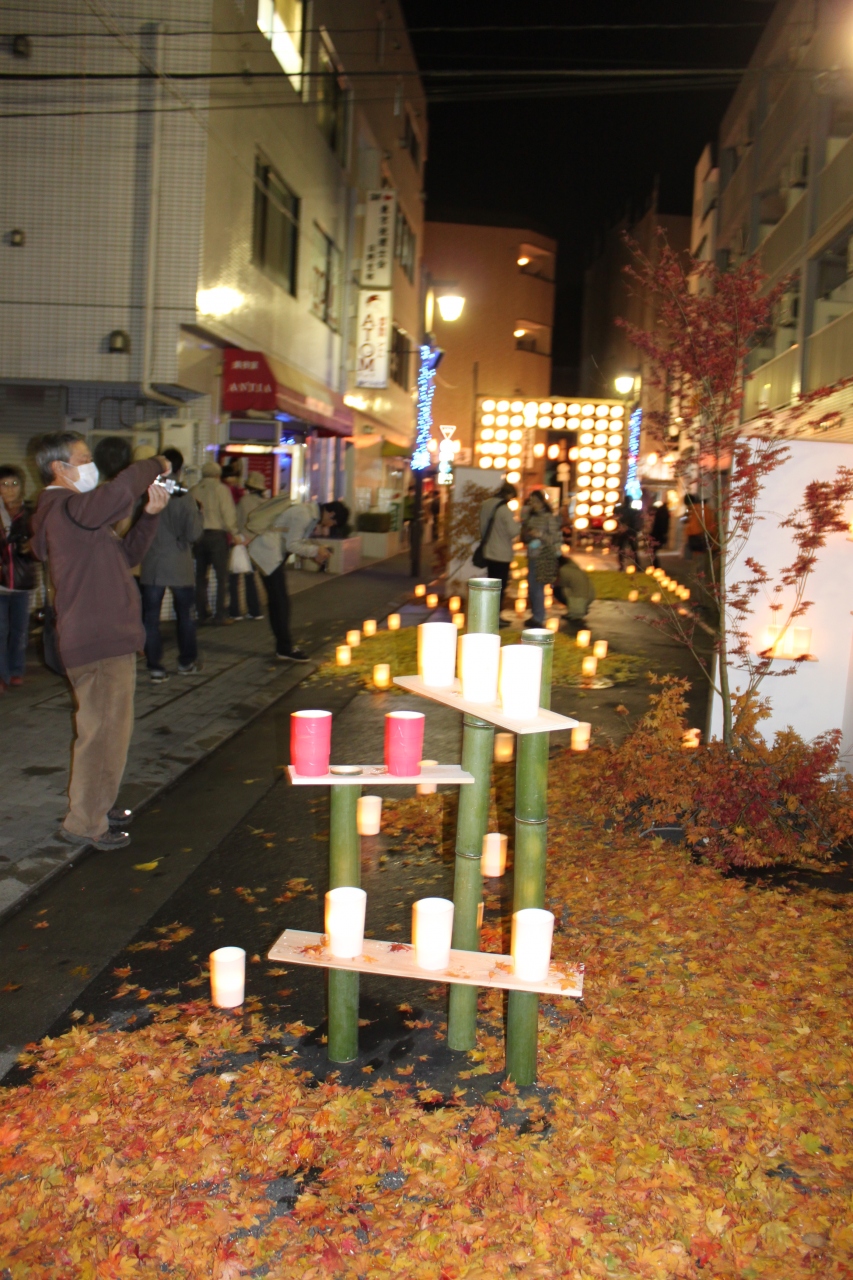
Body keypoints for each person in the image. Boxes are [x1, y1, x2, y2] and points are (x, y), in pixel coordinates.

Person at [30, 431, 170, 851]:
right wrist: (157, 463)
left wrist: (150, 515)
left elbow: (125, 557)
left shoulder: (76, 516)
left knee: (108, 731)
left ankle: (96, 806)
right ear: (59, 468)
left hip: (104, 636)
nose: (91, 466)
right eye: (84, 459)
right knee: (104, 735)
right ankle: (85, 822)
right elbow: (120, 490)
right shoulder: (67, 508)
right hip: (99, 638)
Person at [244, 496, 348, 661]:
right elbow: (292, 545)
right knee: (280, 603)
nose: (330, 526)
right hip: (268, 554)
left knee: (278, 602)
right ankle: (285, 649)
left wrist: (314, 553)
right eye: (333, 523)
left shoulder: (309, 514)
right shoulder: (304, 515)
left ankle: (283, 647)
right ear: (331, 514)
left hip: (271, 555)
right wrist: (316, 551)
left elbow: (296, 542)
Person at [139, 447, 204, 681]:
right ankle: (186, 662)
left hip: (153, 563)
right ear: (179, 469)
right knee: (186, 615)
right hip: (179, 563)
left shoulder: (146, 492)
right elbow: (193, 534)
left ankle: (155, 666)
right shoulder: (185, 497)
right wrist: (200, 514)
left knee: (150, 618)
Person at [0, 465, 36, 692]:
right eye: (4, 484)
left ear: (22, 487)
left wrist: (31, 545)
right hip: (0, 583)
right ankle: (2, 675)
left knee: (19, 631)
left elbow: (42, 545)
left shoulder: (31, 514)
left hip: (23, 582)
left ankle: (16, 670)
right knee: (0, 630)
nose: (9, 489)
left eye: (14, 484)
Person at [190, 460, 238, 624]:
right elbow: (228, 514)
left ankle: (202, 613)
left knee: (200, 577)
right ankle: (220, 615)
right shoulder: (221, 489)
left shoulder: (194, 490)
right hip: (217, 537)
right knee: (221, 577)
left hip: (199, 536)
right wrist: (234, 533)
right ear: (218, 475)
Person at [478, 481, 518, 624]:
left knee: (491, 585)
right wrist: (519, 523)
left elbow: (482, 527)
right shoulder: (504, 510)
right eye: (512, 497)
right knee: (500, 587)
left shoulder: (486, 504)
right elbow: (513, 531)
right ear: (508, 494)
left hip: (489, 551)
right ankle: (496, 617)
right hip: (502, 553)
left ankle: (489, 615)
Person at [521, 489, 560, 628]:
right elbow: (524, 536)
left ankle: (539, 617)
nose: (534, 505)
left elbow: (555, 538)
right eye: (531, 502)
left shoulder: (549, 517)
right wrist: (527, 534)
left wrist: (540, 535)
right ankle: (535, 615)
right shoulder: (530, 517)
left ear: (543, 502)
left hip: (543, 556)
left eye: (536, 502)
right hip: (532, 555)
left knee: (538, 587)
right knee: (532, 587)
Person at [230, 471, 266, 621]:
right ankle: (255, 611)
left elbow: (236, 520)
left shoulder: (244, 501)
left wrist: (239, 536)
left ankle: (235, 612)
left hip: (243, 541)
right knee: (251, 577)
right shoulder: (265, 503)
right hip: (258, 544)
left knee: (235, 576)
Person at [557, 556, 596, 633]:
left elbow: (561, 584)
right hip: (590, 596)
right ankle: (579, 609)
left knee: (558, 590)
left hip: (579, 598)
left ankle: (575, 613)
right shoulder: (576, 569)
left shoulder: (563, 570)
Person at [614, 497, 642, 570]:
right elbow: (635, 522)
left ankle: (621, 565)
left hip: (623, 531)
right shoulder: (633, 511)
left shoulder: (621, 510)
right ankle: (637, 565)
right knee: (633, 549)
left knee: (621, 549)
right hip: (630, 532)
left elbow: (617, 518)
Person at [649, 501, 671, 569]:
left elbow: (657, 523)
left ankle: (655, 564)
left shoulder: (660, 512)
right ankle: (655, 564)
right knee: (654, 549)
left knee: (653, 549)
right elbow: (665, 524)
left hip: (656, 533)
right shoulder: (665, 512)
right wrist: (665, 533)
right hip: (660, 534)